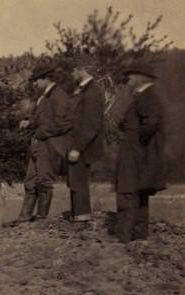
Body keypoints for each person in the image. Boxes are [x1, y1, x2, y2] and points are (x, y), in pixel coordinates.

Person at [6, 61, 75, 226]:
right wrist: (28, 121)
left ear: (46, 79)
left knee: (44, 180)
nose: (35, 83)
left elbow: (62, 124)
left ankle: (41, 217)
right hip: (38, 144)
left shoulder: (59, 96)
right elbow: (38, 116)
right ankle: (25, 216)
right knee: (30, 180)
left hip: (50, 145)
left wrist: (39, 132)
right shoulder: (44, 97)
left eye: (37, 79)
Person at [113, 61, 167, 243]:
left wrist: (137, 143)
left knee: (127, 192)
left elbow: (150, 124)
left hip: (135, 153)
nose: (127, 80)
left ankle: (124, 237)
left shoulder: (146, 97)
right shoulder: (145, 96)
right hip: (139, 153)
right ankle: (139, 237)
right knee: (140, 194)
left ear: (138, 77)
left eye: (129, 76)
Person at [65, 59, 106, 222]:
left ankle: (82, 217)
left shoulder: (92, 92)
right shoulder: (83, 91)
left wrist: (78, 148)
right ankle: (78, 215)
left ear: (83, 70)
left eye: (74, 70)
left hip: (83, 145)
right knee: (74, 180)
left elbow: (91, 125)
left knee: (79, 180)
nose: (72, 73)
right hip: (77, 143)